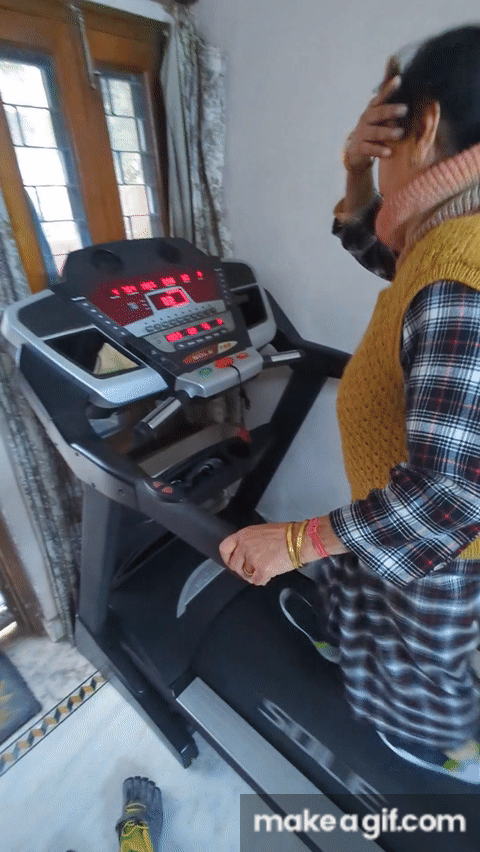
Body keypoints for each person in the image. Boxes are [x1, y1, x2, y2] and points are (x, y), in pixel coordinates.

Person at [219, 25, 480, 784]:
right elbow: (390, 261)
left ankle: (440, 748)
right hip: (397, 506)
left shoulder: (460, 271)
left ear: (425, 126)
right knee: (358, 579)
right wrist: (358, 173)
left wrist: (292, 543)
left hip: (447, 550)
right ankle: (348, 640)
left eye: (387, 133)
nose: (377, 151)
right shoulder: (447, 238)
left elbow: (450, 496)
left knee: (423, 667)